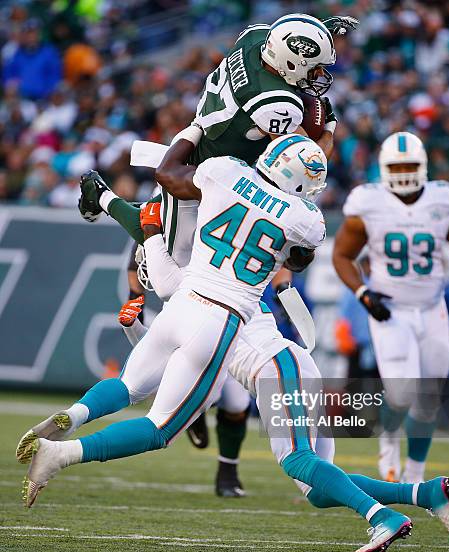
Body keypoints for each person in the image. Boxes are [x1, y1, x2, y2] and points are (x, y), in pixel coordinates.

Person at [20, 133, 449, 552]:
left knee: (293, 462)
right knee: (314, 484)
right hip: (233, 331)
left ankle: (381, 515)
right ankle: (424, 493)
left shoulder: (221, 177)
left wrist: (132, 207)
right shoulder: (301, 219)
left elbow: (170, 210)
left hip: (264, 356)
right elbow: (298, 255)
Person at [75, 12, 355, 495]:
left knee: (164, 260)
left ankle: (102, 200)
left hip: (207, 160)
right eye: (310, 69)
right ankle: (103, 200)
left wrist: (319, 33)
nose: (316, 80)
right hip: (214, 179)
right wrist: (327, 124)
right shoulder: (279, 106)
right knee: (167, 270)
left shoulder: (255, 38)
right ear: (288, 61)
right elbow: (305, 159)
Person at [333, 131, 449, 484]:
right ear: (383, 169)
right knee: (401, 395)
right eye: (397, 165)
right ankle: (388, 440)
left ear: (424, 167)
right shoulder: (367, 203)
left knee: (429, 397)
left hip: (432, 308)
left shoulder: (443, 199)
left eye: (410, 165)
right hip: (390, 310)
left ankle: (415, 472)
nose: (403, 172)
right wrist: (363, 294)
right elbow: (342, 256)